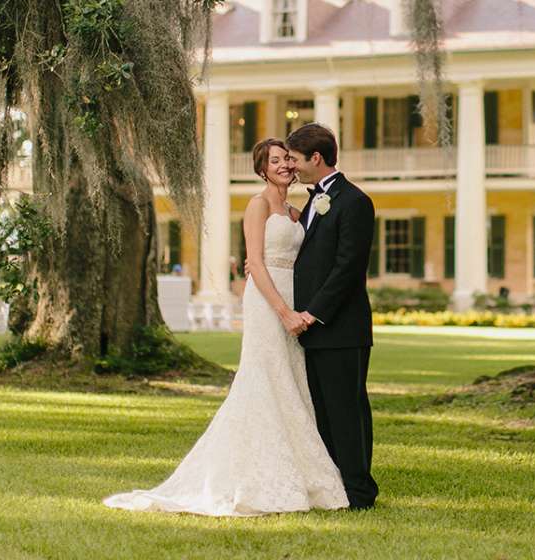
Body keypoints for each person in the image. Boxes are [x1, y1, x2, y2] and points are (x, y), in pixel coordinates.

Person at [102, 138, 348, 517]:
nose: (285, 165)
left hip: (295, 301)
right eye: (276, 160)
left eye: (288, 159)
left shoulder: (299, 213)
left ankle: (302, 472)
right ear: (262, 169)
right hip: (268, 304)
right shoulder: (258, 205)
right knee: (264, 379)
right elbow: (256, 263)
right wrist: (283, 312)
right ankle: (251, 476)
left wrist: (302, 309)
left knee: (292, 382)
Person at [288, 123, 379, 510]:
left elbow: (347, 268)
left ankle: (360, 493)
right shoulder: (314, 201)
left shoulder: (354, 201)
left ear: (316, 158)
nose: (291, 166)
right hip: (314, 330)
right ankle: (336, 487)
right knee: (324, 413)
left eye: (294, 159)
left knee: (347, 412)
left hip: (341, 328)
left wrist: (312, 314)